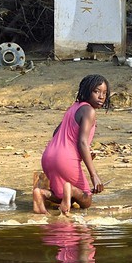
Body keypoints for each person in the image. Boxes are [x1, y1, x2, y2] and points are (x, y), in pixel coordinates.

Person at [33, 74, 109, 215]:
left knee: (60, 193)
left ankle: (41, 194)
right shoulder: (89, 111)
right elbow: (82, 142)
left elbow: (57, 132)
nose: (101, 96)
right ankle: (71, 189)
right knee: (86, 200)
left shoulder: (74, 107)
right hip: (64, 160)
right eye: (96, 91)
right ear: (86, 91)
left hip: (48, 156)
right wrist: (94, 175)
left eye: (104, 93)